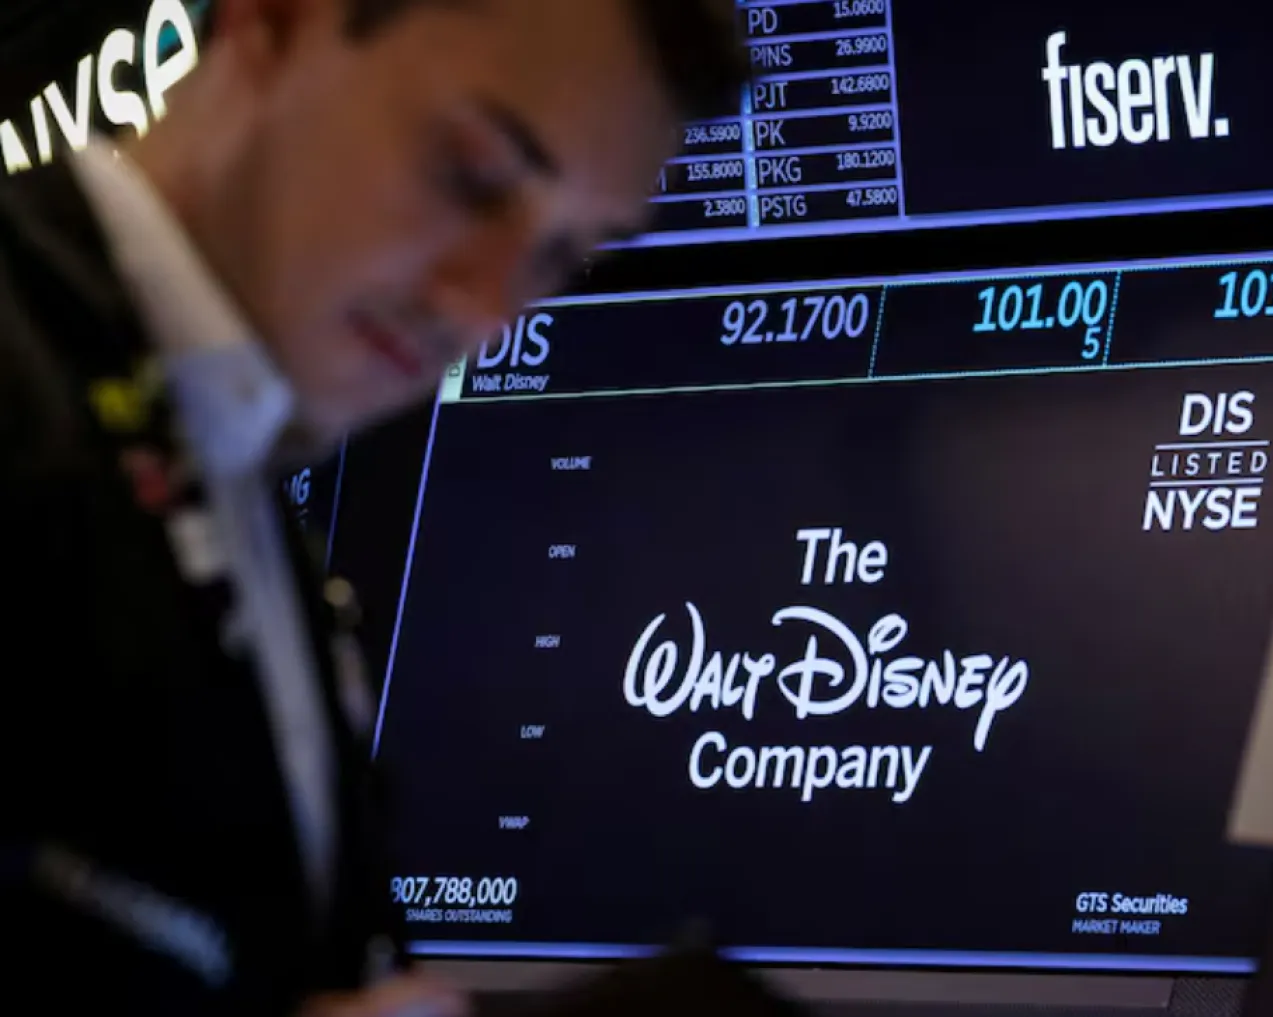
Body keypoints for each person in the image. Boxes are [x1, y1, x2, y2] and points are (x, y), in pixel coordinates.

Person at [0, 1, 744, 1014]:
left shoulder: (248, 499)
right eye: (471, 173)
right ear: (269, 21)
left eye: (563, 259)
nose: (486, 308)